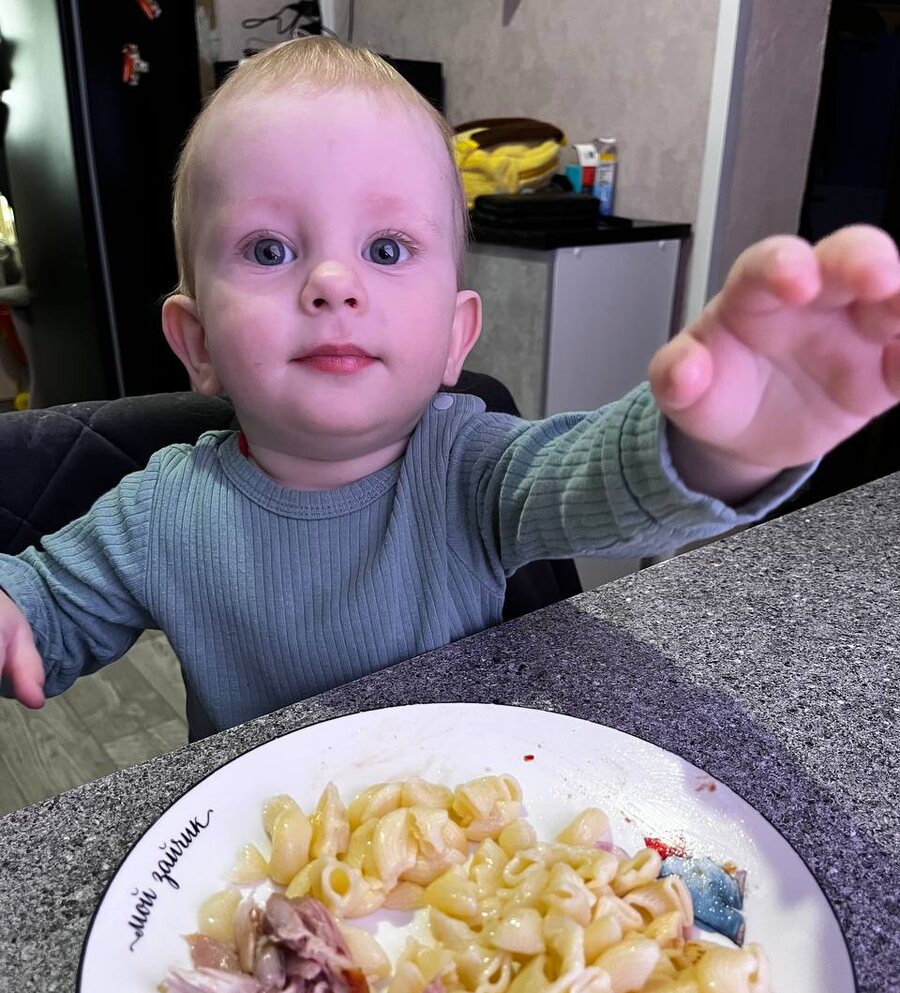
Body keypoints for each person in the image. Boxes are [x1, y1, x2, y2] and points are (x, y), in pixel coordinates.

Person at [0, 38, 898, 739]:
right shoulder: (160, 513)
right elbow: (42, 612)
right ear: (197, 343)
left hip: (461, 853)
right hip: (259, 865)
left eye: (386, 249)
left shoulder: (471, 470)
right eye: (270, 249)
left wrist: (712, 445)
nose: (333, 282)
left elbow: (600, 480)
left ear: (454, 338)